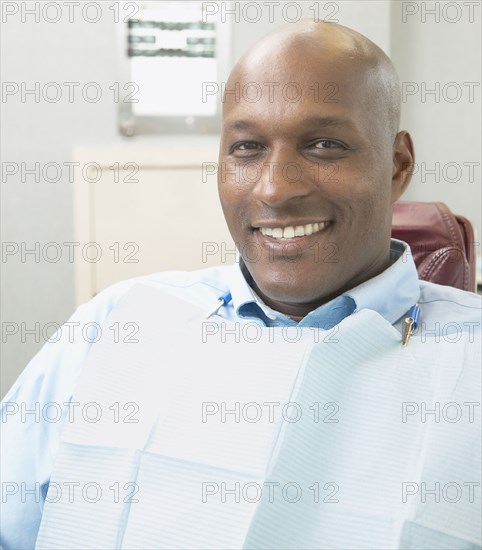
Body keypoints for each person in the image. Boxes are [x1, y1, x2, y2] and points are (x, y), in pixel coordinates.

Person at [1, 20, 480, 550]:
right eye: (248, 148)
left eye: (324, 145)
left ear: (397, 165)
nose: (275, 188)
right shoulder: (113, 323)